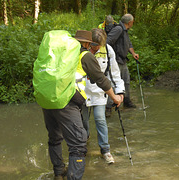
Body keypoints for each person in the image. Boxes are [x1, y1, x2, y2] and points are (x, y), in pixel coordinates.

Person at [41, 30, 123, 180]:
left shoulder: (61, 54)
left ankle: (59, 172)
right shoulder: (85, 55)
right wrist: (115, 97)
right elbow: (101, 79)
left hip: (47, 99)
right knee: (79, 144)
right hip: (66, 101)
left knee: (54, 138)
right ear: (86, 43)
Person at [82, 28, 125, 164]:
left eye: (98, 45)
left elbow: (114, 73)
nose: (96, 48)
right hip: (82, 91)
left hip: (100, 91)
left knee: (100, 119)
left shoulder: (108, 51)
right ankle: (83, 147)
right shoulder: (81, 51)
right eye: (93, 45)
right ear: (89, 43)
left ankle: (105, 150)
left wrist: (119, 91)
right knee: (83, 123)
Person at [106, 13, 139, 113]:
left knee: (126, 82)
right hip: (115, 61)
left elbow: (128, 43)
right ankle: (108, 107)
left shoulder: (125, 31)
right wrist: (112, 57)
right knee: (113, 83)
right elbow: (107, 42)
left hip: (123, 60)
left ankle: (127, 101)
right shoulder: (118, 29)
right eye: (132, 22)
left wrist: (133, 53)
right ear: (130, 22)